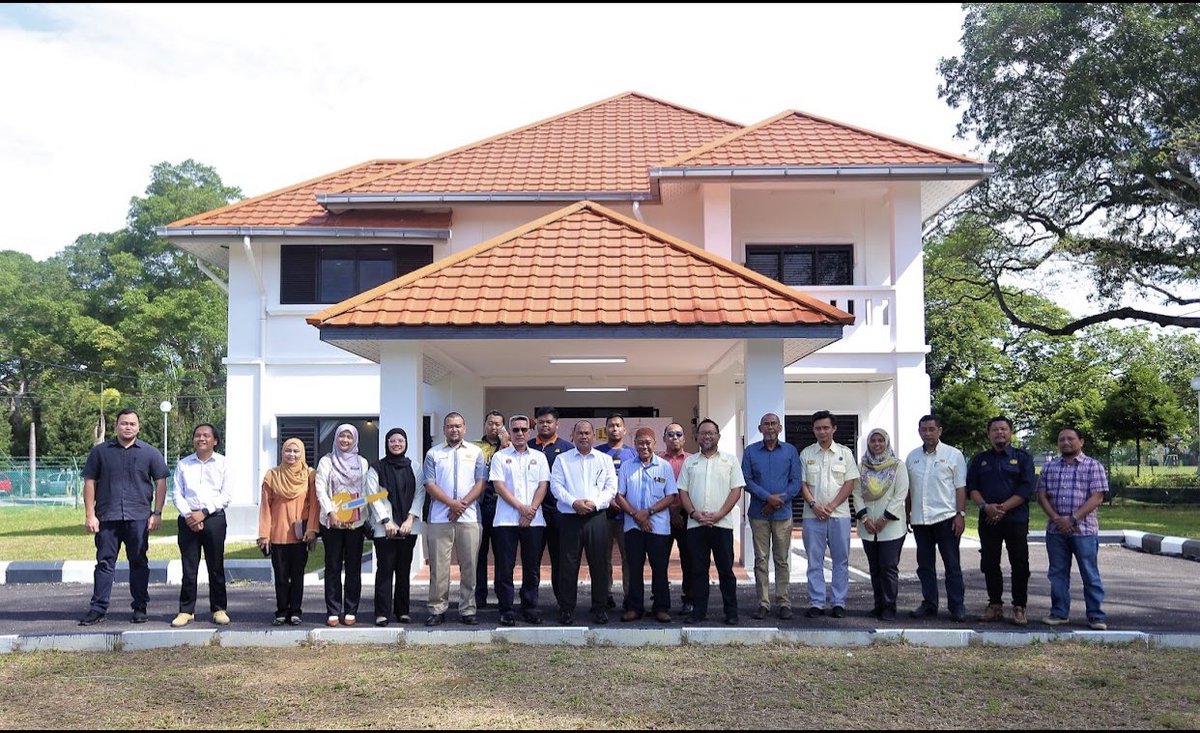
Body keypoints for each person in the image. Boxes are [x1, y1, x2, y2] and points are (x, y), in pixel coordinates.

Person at [78, 408, 170, 626]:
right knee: (104, 563)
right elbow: (89, 482)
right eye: (124, 423)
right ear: (116, 426)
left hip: (138, 517)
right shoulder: (100, 452)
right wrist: (90, 515)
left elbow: (161, 483)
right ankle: (98, 608)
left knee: (139, 563)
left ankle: (140, 607)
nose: (128, 427)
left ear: (138, 427)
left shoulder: (150, 453)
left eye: (132, 424)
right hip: (107, 517)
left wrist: (157, 513)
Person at [1037, 427, 1109, 630]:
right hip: (1055, 530)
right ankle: (1059, 613)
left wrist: (1073, 519)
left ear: (1081, 442)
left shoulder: (1093, 466)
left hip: (1084, 531)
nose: (1066, 442)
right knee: (1057, 573)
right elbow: (1042, 496)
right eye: (1061, 439)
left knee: (1089, 573)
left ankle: (1096, 616)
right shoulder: (1050, 467)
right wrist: (1057, 519)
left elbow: (1097, 497)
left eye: (1070, 438)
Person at [967, 415, 1035, 625]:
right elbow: (972, 488)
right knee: (989, 563)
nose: (999, 433)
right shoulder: (979, 459)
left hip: (1015, 519)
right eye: (995, 430)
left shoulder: (1023, 458)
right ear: (989, 434)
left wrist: (1002, 508)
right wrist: (985, 507)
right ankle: (995, 605)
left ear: (1011, 432)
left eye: (1003, 429)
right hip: (988, 520)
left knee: (1020, 564)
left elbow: (1025, 490)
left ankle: (1019, 606)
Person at [678, 418, 745, 626]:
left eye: (711, 433)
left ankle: (731, 612)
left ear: (718, 436)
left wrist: (719, 514)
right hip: (696, 525)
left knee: (726, 570)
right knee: (698, 570)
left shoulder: (730, 460)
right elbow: (683, 491)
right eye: (703, 433)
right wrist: (693, 513)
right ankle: (699, 611)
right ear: (696, 437)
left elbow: (736, 490)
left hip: (721, 524)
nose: (707, 436)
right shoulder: (690, 462)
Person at [549, 420, 618, 625]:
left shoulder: (604, 459)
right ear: (573, 435)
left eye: (588, 433)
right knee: (568, 566)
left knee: (599, 565)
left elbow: (611, 487)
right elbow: (556, 486)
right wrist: (574, 502)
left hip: (596, 517)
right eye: (580, 433)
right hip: (570, 517)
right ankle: (567, 608)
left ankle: (600, 608)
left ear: (594, 436)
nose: (584, 436)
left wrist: (594, 503)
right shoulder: (562, 460)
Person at [423, 412, 487, 626]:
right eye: (450, 426)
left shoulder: (476, 452)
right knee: (439, 567)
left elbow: (480, 483)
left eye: (458, 426)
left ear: (465, 428)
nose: (454, 430)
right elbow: (430, 484)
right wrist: (452, 504)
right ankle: (437, 609)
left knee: (469, 566)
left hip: (469, 517)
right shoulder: (433, 453)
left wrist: (461, 505)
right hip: (440, 518)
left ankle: (468, 609)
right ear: (444, 430)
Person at [905, 414, 969, 622]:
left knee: (951, 564)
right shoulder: (912, 457)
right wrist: (907, 513)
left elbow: (960, 487)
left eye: (932, 429)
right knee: (924, 565)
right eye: (923, 429)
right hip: (921, 519)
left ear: (939, 431)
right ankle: (929, 603)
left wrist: (960, 514)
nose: (927, 433)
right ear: (919, 431)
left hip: (946, 517)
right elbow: (909, 490)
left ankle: (956, 606)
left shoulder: (954, 455)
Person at [489, 414, 550, 626]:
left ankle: (529, 607)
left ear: (530, 432)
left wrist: (530, 510)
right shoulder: (500, 457)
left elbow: (543, 485)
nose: (520, 433)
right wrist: (521, 508)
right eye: (515, 430)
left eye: (524, 429)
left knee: (531, 567)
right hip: (506, 520)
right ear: (509, 432)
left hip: (534, 520)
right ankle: (506, 609)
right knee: (505, 567)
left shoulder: (539, 457)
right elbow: (499, 486)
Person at [169, 423, 233, 628]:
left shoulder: (223, 463)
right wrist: (189, 515)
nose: (201, 438)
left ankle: (219, 609)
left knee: (216, 566)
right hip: (188, 519)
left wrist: (203, 513)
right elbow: (177, 493)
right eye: (197, 435)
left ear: (215, 440)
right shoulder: (184, 464)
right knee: (189, 568)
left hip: (213, 518)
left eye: (206, 435)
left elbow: (226, 495)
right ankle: (186, 610)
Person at [799, 410, 860, 619]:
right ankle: (816, 602)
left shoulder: (845, 453)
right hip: (812, 516)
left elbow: (849, 483)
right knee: (814, 561)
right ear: (813, 430)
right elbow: (802, 484)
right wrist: (814, 505)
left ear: (834, 428)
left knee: (840, 561)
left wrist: (832, 506)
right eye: (818, 428)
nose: (822, 432)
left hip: (840, 515)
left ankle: (838, 602)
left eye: (826, 427)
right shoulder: (807, 454)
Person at [741, 412, 802, 621]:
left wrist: (778, 501)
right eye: (765, 424)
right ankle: (763, 603)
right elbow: (747, 480)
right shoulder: (750, 452)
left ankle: (784, 602)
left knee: (782, 560)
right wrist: (767, 498)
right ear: (760, 429)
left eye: (773, 424)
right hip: (759, 514)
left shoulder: (790, 451)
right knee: (761, 559)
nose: (769, 428)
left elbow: (796, 482)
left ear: (780, 428)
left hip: (783, 514)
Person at [614, 427, 678, 623]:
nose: (644, 446)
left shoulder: (664, 466)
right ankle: (634, 607)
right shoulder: (626, 466)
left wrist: (648, 513)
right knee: (634, 568)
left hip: (658, 526)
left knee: (660, 568)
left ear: (654, 444)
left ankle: (661, 608)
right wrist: (636, 515)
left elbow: (671, 496)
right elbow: (619, 496)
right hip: (633, 526)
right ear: (634, 444)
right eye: (640, 442)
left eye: (648, 442)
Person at [315, 424, 376, 627]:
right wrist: (332, 512)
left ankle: (351, 609)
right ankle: (333, 610)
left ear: (355, 439)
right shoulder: (326, 461)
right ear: (336, 438)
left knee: (353, 567)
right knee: (332, 566)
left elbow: (366, 490)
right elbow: (320, 489)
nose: (345, 440)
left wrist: (355, 513)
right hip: (331, 522)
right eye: (342, 436)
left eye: (349, 437)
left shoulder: (362, 462)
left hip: (355, 523)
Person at [257, 437, 319, 626]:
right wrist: (264, 534)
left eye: (296, 451)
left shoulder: (310, 475)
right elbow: (265, 507)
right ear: (282, 452)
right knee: (281, 576)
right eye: (288, 451)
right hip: (277, 534)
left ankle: (296, 611)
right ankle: (281, 611)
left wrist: (312, 529)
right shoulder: (272, 476)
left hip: (300, 535)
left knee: (298, 575)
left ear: (302, 454)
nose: (292, 455)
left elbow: (315, 505)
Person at [368, 427, 425, 626]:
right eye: (392, 441)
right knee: (384, 569)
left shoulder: (415, 467)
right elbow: (373, 496)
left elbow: (420, 494)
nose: (396, 444)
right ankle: (382, 612)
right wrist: (387, 521)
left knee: (403, 570)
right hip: (385, 529)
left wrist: (410, 519)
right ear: (387, 443)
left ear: (406, 443)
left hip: (409, 528)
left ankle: (403, 611)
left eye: (400, 440)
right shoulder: (376, 468)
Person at [852, 428, 909, 621]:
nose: (877, 444)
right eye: (873, 441)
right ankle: (878, 605)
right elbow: (857, 494)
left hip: (891, 527)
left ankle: (889, 607)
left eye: (880, 440)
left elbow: (900, 494)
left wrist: (884, 518)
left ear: (887, 442)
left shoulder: (897, 466)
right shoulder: (861, 467)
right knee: (874, 568)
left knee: (888, 567)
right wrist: (865, 519)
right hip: (868, 527)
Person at [529, 407, 574, 603]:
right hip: (533, 512)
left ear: (557, 424)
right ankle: (529, 603)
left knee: (560, 560)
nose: (545, 425)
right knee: (532, 561)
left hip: (559, 513)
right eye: (541, 422)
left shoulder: (567, 449)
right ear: (536, 423)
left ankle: (563, 603)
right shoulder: (528, 446)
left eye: (549, 422)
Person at [596, 413, 636, 611]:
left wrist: (623, 502)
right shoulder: (597, 453)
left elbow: (635, 482)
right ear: (606, 430)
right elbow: (594, 482)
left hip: (626, 515)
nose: (614, 429)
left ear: (624, 429)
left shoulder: (633, 454)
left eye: (618, 425)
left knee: (629, 558)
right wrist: (609, 499)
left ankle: (629, 596)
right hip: (603, 514)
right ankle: (606, 595)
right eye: (610, 425)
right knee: (603, 559)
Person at [659, 422, 694, 616]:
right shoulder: (656, 461)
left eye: (678, 434)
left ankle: (689, 598)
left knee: (688, 560)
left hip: (687, 515)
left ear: (684, 438)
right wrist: (671, 511)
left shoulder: (691, 460)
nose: (674, 437)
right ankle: (660, 600)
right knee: (659, 560)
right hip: (662, 516)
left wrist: (679, 510)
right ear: (664, 438)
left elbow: (692, 490)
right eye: (670, 434)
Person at [473, 410, 507, 610]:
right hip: (479, 505)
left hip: (501, 505)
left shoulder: (509, 447)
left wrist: (504, 443)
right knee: (479, 554)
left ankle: (502, 596)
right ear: (485, 424)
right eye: (491, 423)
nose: (494, 427)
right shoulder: (475, 446)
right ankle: (479, 596)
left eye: (498, 424)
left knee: (502, 554)